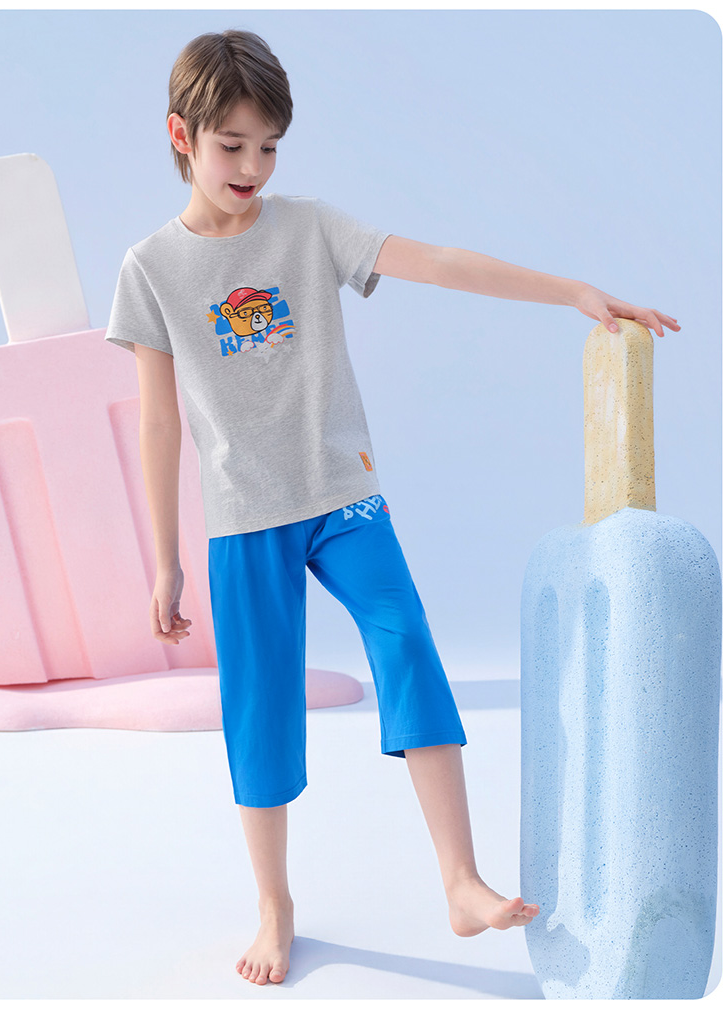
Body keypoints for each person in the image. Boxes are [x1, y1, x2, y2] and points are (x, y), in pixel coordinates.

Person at [104, 29, 680, 988]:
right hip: (243, 517)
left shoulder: (308, 228)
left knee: (407, 641)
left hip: (344, 496)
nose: (253, 166)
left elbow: (441, 262)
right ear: (181, 135)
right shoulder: (150, 268)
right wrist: (164, 561)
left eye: (269, 147)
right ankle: (275, 905)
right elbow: (159, 425)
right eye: (233, 145)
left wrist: (572, 292)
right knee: (260, 708)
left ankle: (459, 880)